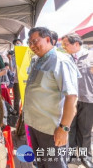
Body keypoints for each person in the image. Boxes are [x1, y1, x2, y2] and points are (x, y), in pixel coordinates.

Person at [24, 27, 79, 168]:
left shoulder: (60, 61)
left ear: (48, 39)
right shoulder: (39, 60)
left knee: (54, 165)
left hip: (51, 129)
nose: (32, 46)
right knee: (41, 162)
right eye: (29, 43)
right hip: (35, 125)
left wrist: (64, 129)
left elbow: (71, 98)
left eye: (35, 41)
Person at [62, 33, 93, 168]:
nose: (63, 47)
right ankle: (71, 153)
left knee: (85, 130)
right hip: (69, 100)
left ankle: (85, 155)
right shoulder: (65, 58)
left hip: (87, 98)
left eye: (66, 44)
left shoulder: (90, 56)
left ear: (76, 44)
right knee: (70, 128)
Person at [7, 38, 22, 114]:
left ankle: (25, 115)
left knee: (26, 99)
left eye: (18, 43)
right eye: (15, 44)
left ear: (22, 44)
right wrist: (9, 59)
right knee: (16, 99)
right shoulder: (13, 56)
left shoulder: (26, 53)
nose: (17, 44)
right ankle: (16, 114)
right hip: (16, 81)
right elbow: (11, 69)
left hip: (26, 80)